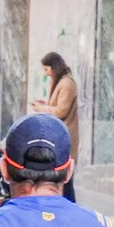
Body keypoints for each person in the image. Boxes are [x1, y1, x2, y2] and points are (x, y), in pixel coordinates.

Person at [31, 52, 80, 203]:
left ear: (54, 67)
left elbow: (61, 111)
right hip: (59, 134)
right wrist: (45, 105)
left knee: (65, 177)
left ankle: (69, 205)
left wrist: (42, 109)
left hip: (65, 135)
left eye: (47, 69)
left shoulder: (66, 84)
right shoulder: (61, 82)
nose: (46, 74)